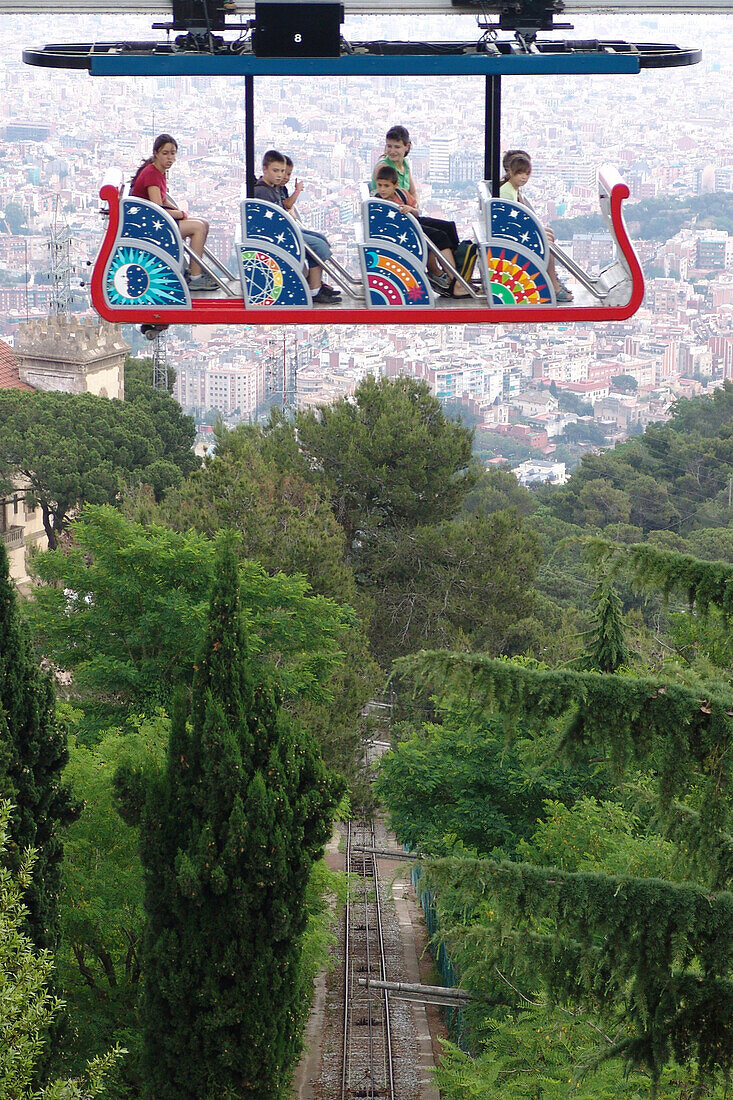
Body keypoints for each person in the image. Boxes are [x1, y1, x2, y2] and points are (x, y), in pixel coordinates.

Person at [130, 133, 217, 292]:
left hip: (152, 221)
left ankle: (194, 268)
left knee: (203, 223)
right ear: (156, 153)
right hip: (151, 227)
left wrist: (179, 212)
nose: (170, 158)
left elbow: (162, 199)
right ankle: (196, 278)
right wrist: (180, 215)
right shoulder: (152, 174)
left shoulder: (157, 171)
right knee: (198, 228)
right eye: (165, 153)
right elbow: (158, 209)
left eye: (173, 153)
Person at [253, 150, 341, 303]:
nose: (280, 175)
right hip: (279, 234)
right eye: (276, 171)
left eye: (282, 171)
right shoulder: (261, 191)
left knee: (320, 239)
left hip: (284, 230)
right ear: (265, 169)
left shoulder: (273, 188)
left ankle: (316, 283)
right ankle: (314, 291)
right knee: (318, 245)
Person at [371, 165, 470, 298]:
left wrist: (410, 209)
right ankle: (457, 283)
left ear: (395, 185)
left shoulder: (402, 194)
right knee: (441, 237)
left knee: (448, 227)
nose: (382, 189)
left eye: (386, 186)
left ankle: (457, 272)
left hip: (412, 221)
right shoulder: (378, 203)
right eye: (380, 185)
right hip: (404, 231)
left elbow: (417, 213)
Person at [499, 150, 573, 302]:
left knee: (549, 235)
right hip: (512, 237)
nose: (524, 177)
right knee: (547, 246)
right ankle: (553, 285)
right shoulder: (507, 192)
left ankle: (553, 278)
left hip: (515, 233)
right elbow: (510, 220)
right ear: (511, 171)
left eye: (527, 173)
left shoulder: (512, 189)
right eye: (520, 172)